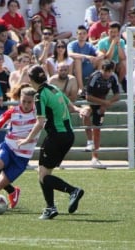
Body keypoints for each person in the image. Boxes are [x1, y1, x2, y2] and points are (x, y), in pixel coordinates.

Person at [18, 65, 87, 220]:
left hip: (56, 137)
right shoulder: (54, 88)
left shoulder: (39, 95)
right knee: (45, 173)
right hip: (68, 136)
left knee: (43, 175)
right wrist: (79, 109)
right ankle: (50, 208)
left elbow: (40, 122)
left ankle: (72, 191)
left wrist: (28, 139)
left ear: (31, 80)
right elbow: (69, 104)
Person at [83, 60, 120, 168]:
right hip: (89, 102)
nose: (107, 74)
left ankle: (95, 157)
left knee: (97, 130)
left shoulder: (113, 78)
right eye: (105, 71)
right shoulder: (95, 76)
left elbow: (117, 95)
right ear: (101, 69)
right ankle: (89, 141)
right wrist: (105, 103)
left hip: (101, 103)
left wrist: (107, 104)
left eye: (109, 71)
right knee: (85, 114)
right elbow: (88, 96)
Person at [67, 25, 104, 94]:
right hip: (75, 70)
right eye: (80, 34)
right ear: (77, 35)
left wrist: (97, 58)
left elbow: (101, 54)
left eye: (84, 33)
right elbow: (70, 54)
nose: (82, 36)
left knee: (100, 60)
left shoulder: (89, 45)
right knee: (77, 60)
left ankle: (98, 83)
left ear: (87, 35)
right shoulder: (71, 44)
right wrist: (86, 56)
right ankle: (81, 88)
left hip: (87, 67)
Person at [97, 21, 126, 91]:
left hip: (117, 64)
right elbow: (107, 58)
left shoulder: (122, 41)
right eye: (111, 32)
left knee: (124, 63)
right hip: (106, 63)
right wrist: (113, 44)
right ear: (108, 32)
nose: (113, 34)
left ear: (118, 33)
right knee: (107, 62)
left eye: (115, 32)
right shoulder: (102, 42)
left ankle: (118, 84)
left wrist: (118, 44)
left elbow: (122, 57)